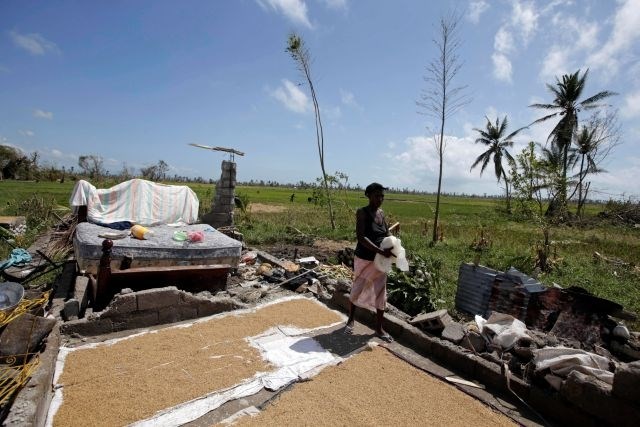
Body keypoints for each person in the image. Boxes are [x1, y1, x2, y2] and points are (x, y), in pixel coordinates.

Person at [345, 182, 394, 342]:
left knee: (381, 293)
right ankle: (351, 319)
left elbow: (386, 233)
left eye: (382, 196)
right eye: (376, 196)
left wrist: (393, 246)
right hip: (365, 258)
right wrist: (380, 251)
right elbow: (361, 237)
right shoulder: (363, 212)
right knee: (358, 288)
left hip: (380, 261)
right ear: (368, 196)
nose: (380, 199)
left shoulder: (381, 213)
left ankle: (379, 328)